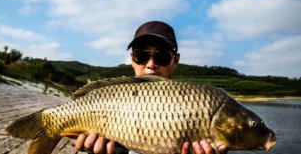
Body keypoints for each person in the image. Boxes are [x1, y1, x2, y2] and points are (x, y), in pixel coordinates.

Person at [75, 21, 227, 154]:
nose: (151, 64)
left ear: (176, 60)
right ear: (132, 59)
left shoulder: (195, 100)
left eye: (162, 57)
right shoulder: (106, 96)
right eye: (141, 56)